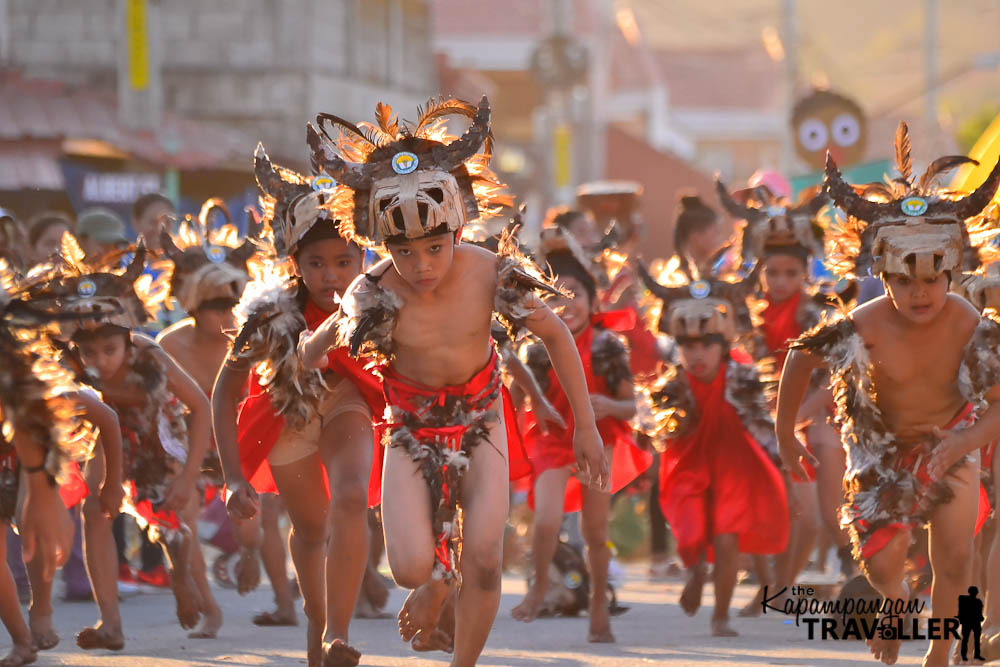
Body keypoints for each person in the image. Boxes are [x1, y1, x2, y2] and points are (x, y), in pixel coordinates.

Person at [300, 95, 608, 667]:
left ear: (458, 223)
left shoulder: (492, 273)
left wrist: (584, 428)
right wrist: (317, 341)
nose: (421, 266)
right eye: (406, 252)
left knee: (487, 559)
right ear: (383, 244)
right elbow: (315, 350)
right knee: (410, 567)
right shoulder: (372, 287)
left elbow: (557, 336)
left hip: (482, 418)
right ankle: (435, 579)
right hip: (408, 428)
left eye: (435, 248)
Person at [778, 123, 1000, 666]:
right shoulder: (867, 323)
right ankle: (894, 601)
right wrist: (786, 432)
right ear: (882, 271)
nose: (919, 292)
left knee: (953, 559)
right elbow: (802, 354)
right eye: (904, 281)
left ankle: (940, 653)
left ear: (950, 269)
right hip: (881, 455)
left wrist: (963, 440)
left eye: (930, 279)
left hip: (952, 444)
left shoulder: (970, 324)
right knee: (884, 557)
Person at [214, 145, 384, 667]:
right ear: (294, 264)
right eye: (316, 263)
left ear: (364, 260)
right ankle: (318, 636)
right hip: (288, 416)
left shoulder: (383, 303)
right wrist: (232, 476)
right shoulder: (269, 315)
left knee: (353, 497)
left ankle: (339, 630)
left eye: (343, 262)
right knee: (310, 531)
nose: (331, 275)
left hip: (348, 406)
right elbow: (225, 390)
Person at [29, 237, 213, 651]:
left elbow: (200, 408)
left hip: (157, 432)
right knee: (95, 510)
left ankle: (180, 569)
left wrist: (187, 476)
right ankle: (110, 623)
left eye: (110, 349)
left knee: (169, 521)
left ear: (129, 340)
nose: (100, 361)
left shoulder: (149, 355)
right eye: (89, 351)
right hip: (102, 434)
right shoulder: (72, 367)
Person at [715, 180, 851, 613]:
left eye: (790, 273)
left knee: (820, 517)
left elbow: (832, 381)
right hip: (761, 424)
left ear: (805, 273)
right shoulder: (744, 317)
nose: (779, 281)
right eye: (772, 272)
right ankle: (770, 587)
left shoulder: (820, 315)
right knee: (759, 509)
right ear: (759, 271)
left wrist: (793, 418)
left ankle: (790, 588)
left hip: (815, 418)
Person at [512, 227, 650, 642]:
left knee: (595, 532)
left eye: (574, 294)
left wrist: (609, 407)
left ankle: (596, 606)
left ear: (593, 301)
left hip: (598, 441)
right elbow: (514, 394)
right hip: (552, 441)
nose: (564, 304)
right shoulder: (534, 348)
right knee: (546, 519)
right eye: (554, 295)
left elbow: (631, 406)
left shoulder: (608, 346)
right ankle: (539, 587)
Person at [636, 260, 789, 637]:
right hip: (688, 468)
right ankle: (694, 573)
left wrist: (782, 468)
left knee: (726, 539)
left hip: (734, 466)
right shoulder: (672, 385)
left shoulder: (743, 375)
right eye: (689, 346)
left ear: (724, 345)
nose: (697, 355)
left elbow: (763, 427)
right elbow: (652, 428)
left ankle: (721, 614)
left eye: (707, 345)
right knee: (689, 535)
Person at [0, 261, 122, 665]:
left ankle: (35, 618)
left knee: (34, 528)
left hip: (27, 450)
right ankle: (25, 634)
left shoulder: (39, 387)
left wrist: (110, 484)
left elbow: (106, 417)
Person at [155, 197, 259, 639]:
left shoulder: (251, 343)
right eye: (217, 306)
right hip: (184, 447)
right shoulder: (168, 345)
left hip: (238, 445)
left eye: (232, 304)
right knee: (178, 526)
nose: (226, 315)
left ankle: (251, 553)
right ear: (194, 306)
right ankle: (210, 610)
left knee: (255, 523)